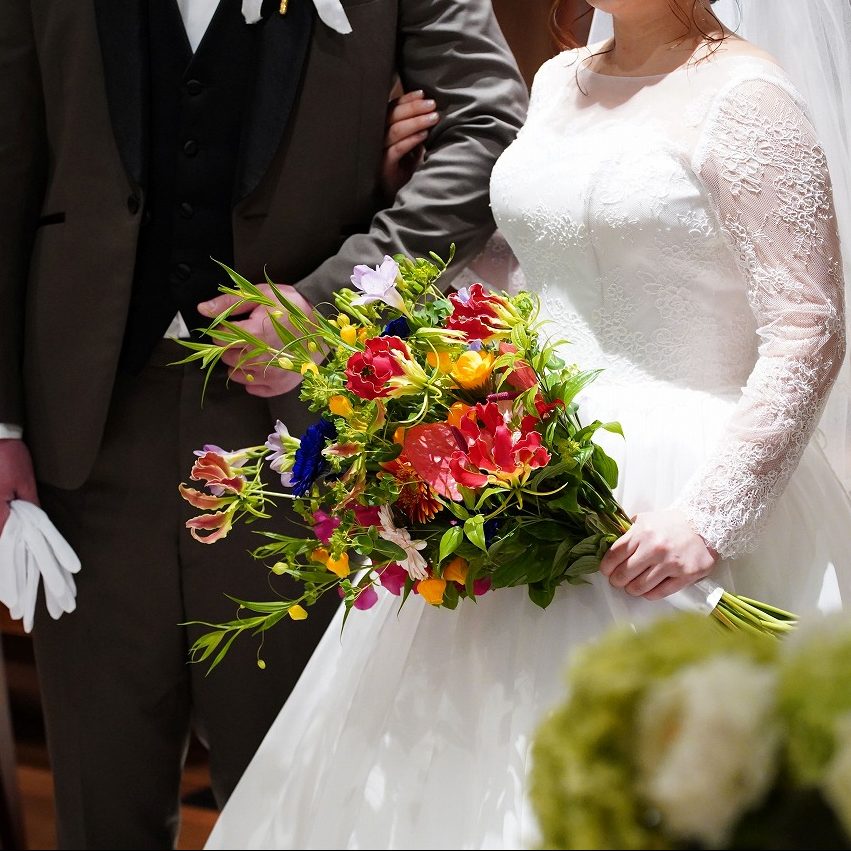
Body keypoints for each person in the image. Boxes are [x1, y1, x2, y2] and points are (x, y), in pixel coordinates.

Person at [201, 0, 851, 848]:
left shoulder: (747, 96)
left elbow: (808, 324)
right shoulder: (558, 80)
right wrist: (404, 201)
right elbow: (537, 268)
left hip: (680, 485)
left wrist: (711, 515)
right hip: (528, 463)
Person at [0, 2, 527, 848]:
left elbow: (489, 125)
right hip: (86, 431)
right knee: (99, 803)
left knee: (290, 806)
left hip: (305, 437)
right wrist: (2, 422)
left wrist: (333, 298)